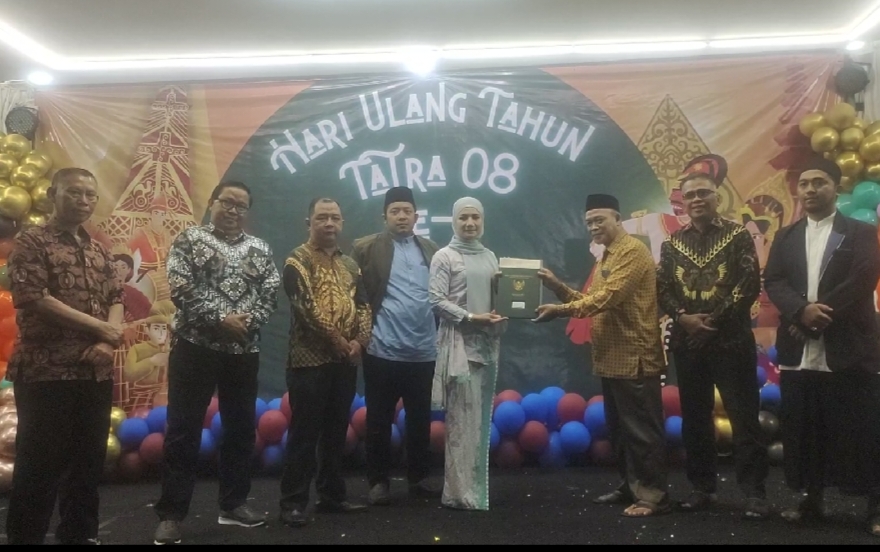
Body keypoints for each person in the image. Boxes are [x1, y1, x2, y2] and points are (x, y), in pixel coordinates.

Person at [153, 181, 280, 545]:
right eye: (227, 202)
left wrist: (247, 322)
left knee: (240, 429)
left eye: (241, 206)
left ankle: (234, 505)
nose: (233, 211)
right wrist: (220, 318)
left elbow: (270, 291)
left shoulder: (260, 248)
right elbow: (180, 286)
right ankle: (171, 515)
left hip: (243, 351)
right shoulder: (190, 239)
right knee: (184, 429)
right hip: (196, 347)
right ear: (212, 202)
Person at [5, 167, 124, 545]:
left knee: (88, 464)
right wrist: (100, 328)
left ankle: (79, 535)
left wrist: (108, 341)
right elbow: (34, 298)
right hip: (46, 371)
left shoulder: (98, 249)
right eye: (74, 192)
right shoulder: (31, 241)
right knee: (38, 466)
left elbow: (116, 298)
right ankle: (26, 537)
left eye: (90, 195)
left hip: (94, 371)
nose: (83, 200)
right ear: (52, 194)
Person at [763, 157, 880, 537]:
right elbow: (774, 280)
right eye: (804, 183)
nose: (811, 189)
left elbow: (863, 278)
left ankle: (875, 506)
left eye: (819, 182)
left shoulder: (861, 232)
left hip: (849, 346)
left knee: (861, 429)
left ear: (836, 187)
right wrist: (801, 311)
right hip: (800, 352)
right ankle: (811, 500)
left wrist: (818, 314)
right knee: (807, 429)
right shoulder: (786, 236)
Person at [534, 193, 668, 518]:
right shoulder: (607, 256)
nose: (593, 227)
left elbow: (607, 298)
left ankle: (653, 497)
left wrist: (560, 310)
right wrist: (556, 285)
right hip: (612, 358)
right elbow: (590, 298)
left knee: (642, 433)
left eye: (600, 220)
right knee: (621, 431)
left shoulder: (632, 251)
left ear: (618, 219)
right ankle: (630, 486)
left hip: (635, 357)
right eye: (589, 222)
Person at [656, 154, 769, 519]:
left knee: (744, 418)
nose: (697, 200)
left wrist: (712, 322)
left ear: (717, 197)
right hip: (688, 345)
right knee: (695, 419)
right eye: (690, 195)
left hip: (731, 342)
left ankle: (754, 494)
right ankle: (702, 488)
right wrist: (684, 318)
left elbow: (747, 285)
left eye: (703, 193)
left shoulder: (738, 236)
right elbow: (663, 289)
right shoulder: (672, 244)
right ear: (683, 201)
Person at [279, 197, 372, 527]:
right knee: (304, 434)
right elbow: (305, 308)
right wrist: (338, 340)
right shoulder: (297, 260)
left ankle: (332, 495)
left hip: (345, 362)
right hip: (309, 361)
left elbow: (364, 306)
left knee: (335, 433)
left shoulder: (350, 265)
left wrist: (360, 341)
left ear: (342, 223)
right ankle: (292, 503)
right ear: (309, 223)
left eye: (335, 217)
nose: (329, 223)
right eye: (322, 218)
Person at [351, 187, 442, 505]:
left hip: (424, 350)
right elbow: (355, 296)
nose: (401, 216)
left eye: (407, 211)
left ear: (416, 216)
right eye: (395, 211)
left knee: (420, 420)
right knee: (379, 420)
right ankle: (378, 482)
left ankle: (419, 479)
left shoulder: (432, 250)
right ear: (384, 216)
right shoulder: (364, 248)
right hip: (382, 350)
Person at [429, 197, 507, 510]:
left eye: (475, 217)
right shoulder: (444, 256)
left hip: (487, 345)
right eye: (463, 218)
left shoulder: (489, 256)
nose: (470, 223)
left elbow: (499, 296)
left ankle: (475, 490)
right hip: (460, 347)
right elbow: (436, 301)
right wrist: (472, 317)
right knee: (461, 420)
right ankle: (458, 494)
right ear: (453, 221)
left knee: (478, 420)